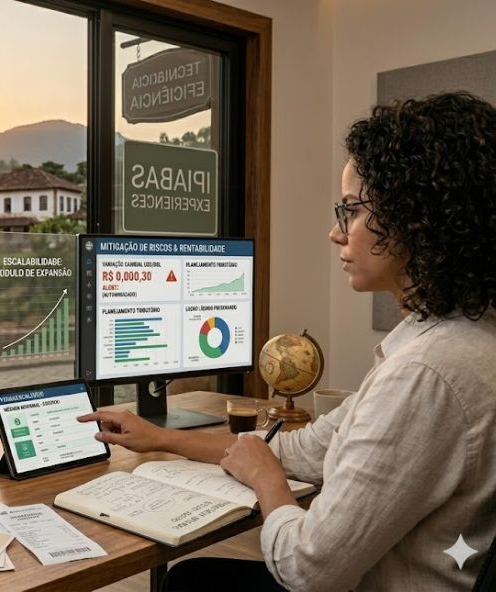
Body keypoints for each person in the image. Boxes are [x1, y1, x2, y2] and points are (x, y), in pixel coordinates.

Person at [79, 92, 496, 591]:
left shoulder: (426, 374)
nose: (335, 234)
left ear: (416, 219)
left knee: (192, 582)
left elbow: (309, 569)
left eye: (352, 211)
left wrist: (267, 482)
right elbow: (302, 450)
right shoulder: (462, 341)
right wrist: (164, 438)